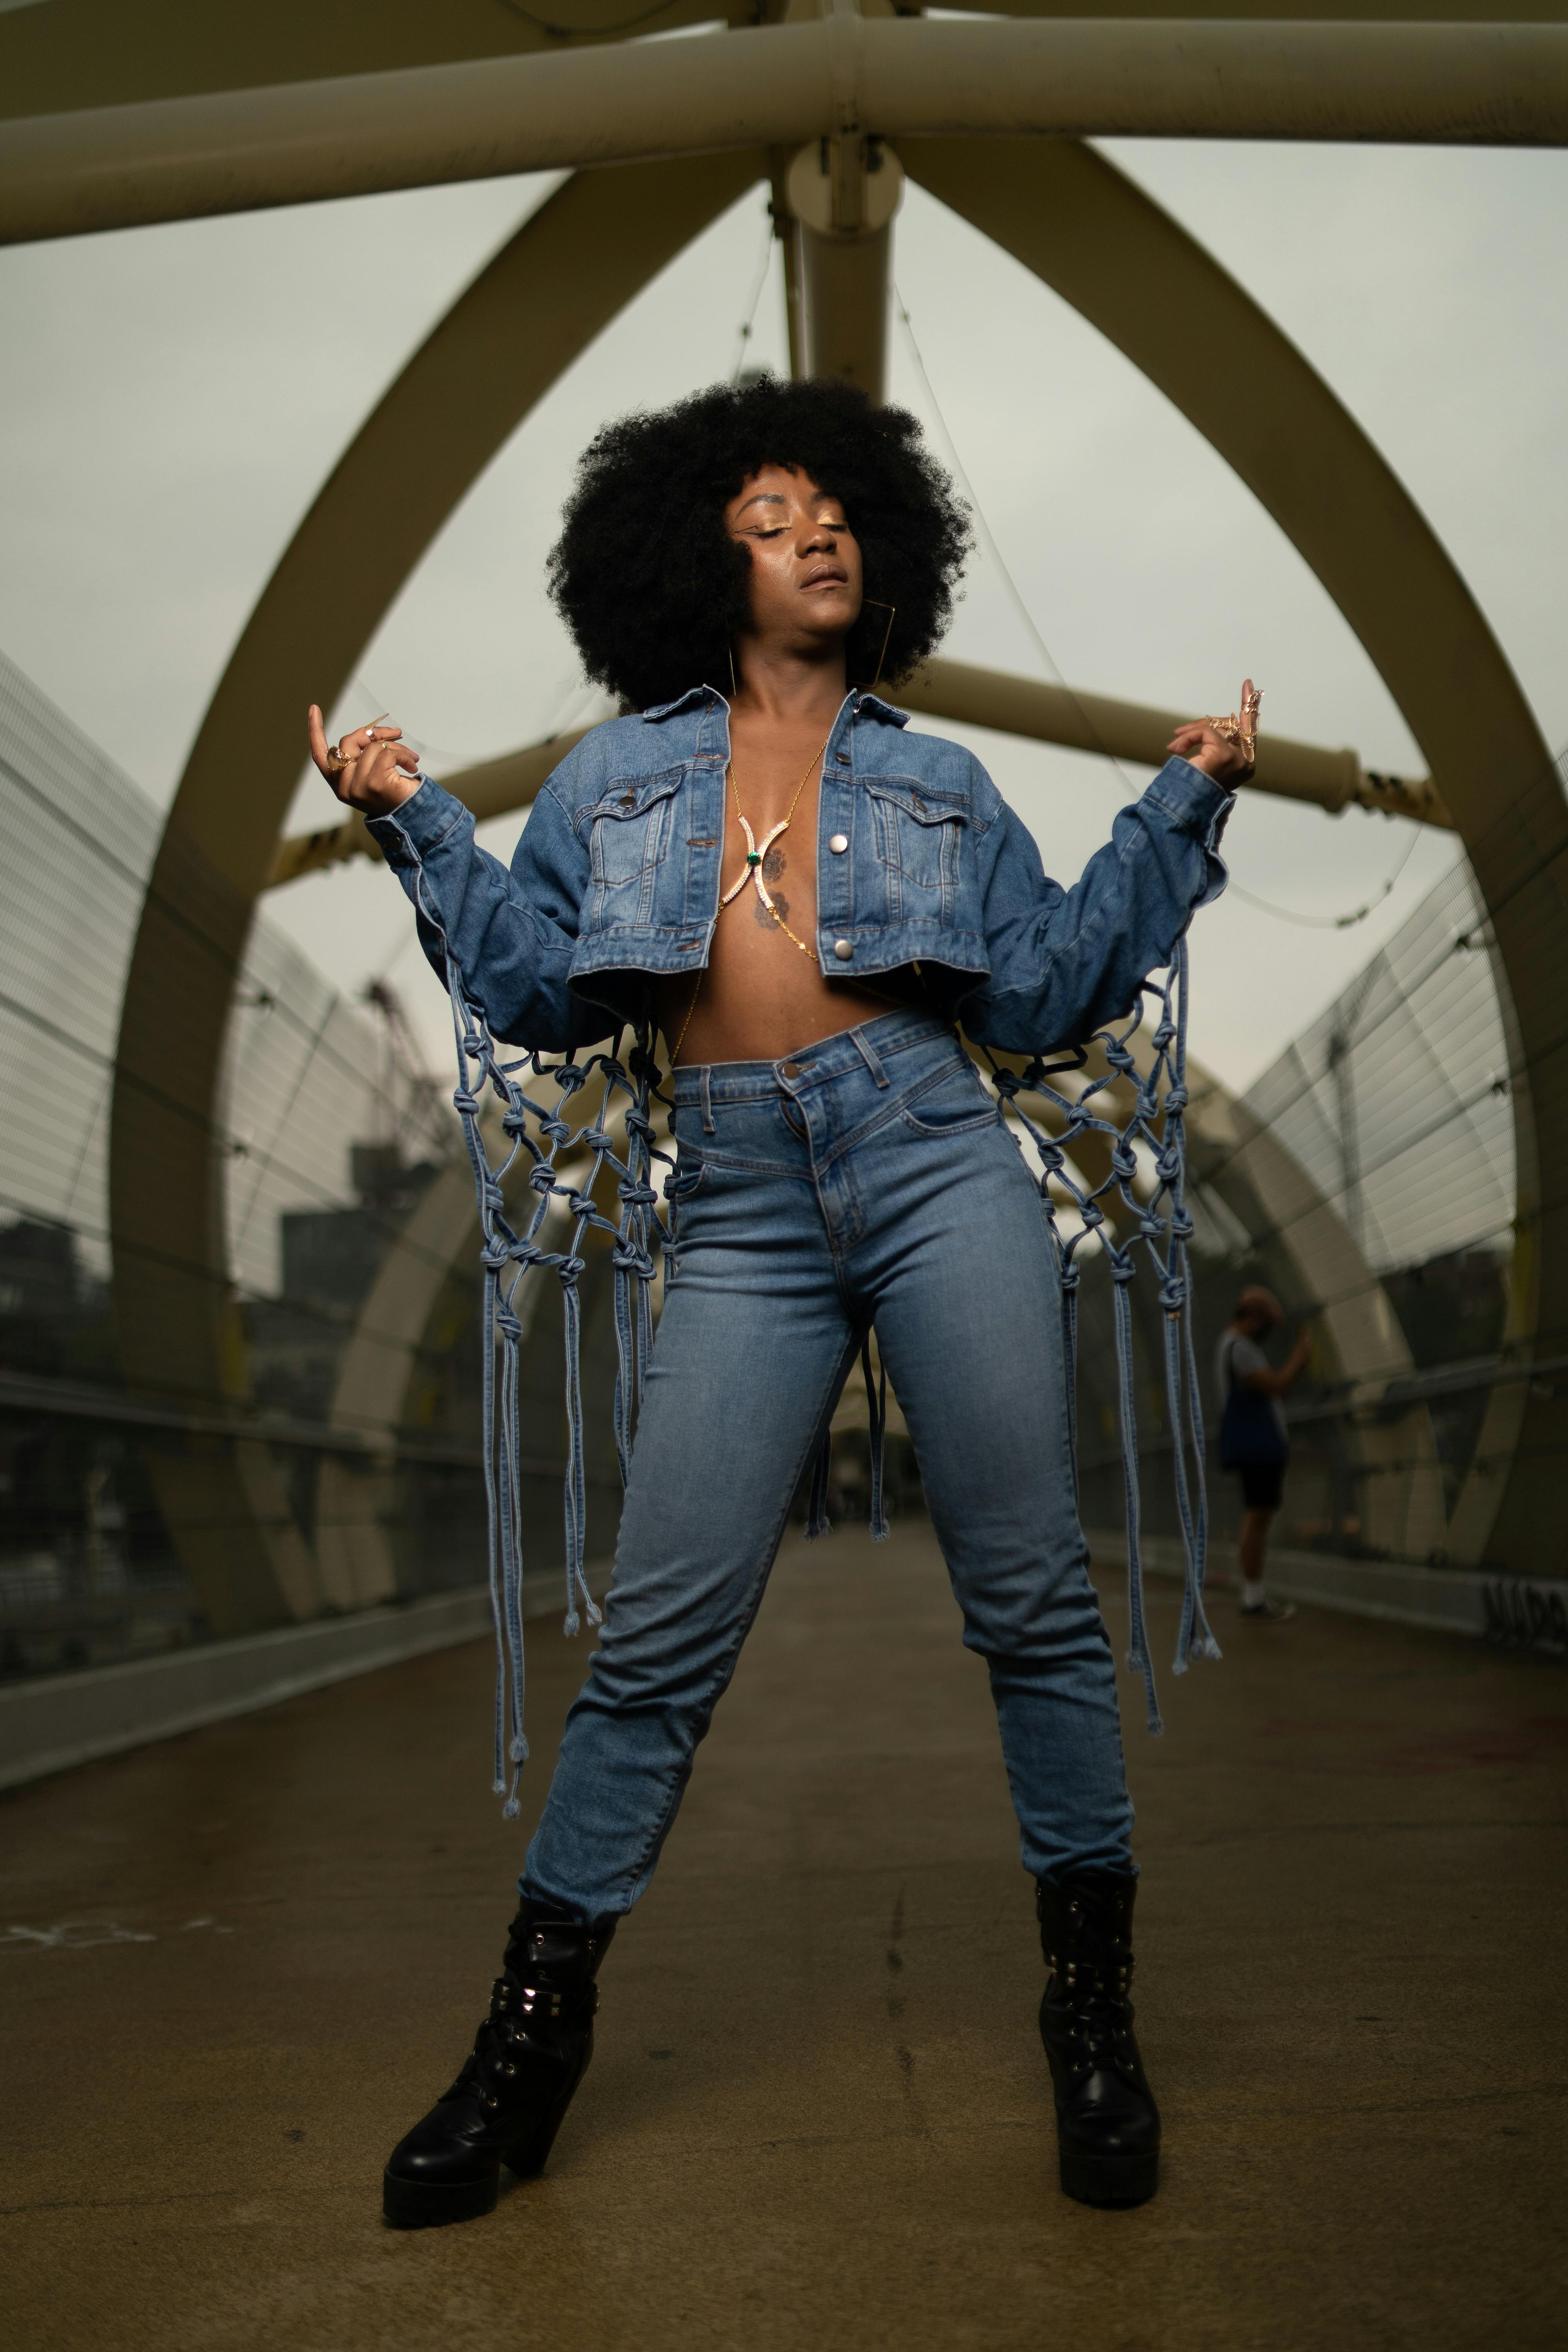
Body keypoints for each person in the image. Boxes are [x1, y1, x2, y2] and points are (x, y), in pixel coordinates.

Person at [306, 377, 1254, 2228]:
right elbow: (537, 992)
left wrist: (1176, 804)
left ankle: (1090, 2019)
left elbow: (1048, 984)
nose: (808, 529)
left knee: (1032, 1607)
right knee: (656, 1647)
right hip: (734, 1198)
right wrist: (410, 815)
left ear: (881, 543)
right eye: (762, 512)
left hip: (928, 1157)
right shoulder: (605, 778)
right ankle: (524, 2041)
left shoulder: (940, 778)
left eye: (830, 507)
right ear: (690, 559)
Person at [1216, 1285, 1312, 1621]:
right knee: (1257, 1518)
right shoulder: (1240, 1349)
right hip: (1258, 1448)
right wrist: (1300, 1359)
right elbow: (1278, 1386)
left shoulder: (1232, 1346)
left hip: (1255, 1446)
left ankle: (1252, 1595)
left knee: (1256, 1518)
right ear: (1254, 1320)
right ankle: (1253, 1598)